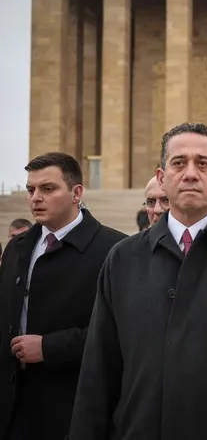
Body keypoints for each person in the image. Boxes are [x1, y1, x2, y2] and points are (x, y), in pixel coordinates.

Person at [69, 123, 207, 440]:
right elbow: (98, 371)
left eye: (203, 163)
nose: (191, 173)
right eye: (179, 163)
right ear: (162, 177)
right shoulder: (123, 259)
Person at [0, 152, 126, 440]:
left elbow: (119, 333)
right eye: (31, 189)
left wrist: (50, 347)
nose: (35, 198)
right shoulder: (17, 248)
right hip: (13, 409)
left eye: (48, 188)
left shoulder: (115, 250)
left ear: (76, 193)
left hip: (73, 408)